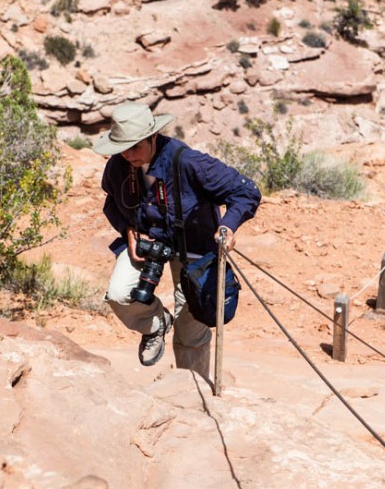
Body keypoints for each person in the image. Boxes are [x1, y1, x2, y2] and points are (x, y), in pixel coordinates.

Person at [94, 102, 261, 378]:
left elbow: (246, 192)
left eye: (135, 146)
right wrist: (128, 231)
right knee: (120, 295)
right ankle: (156, 324)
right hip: (149, 246)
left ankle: (193, 395)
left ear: (153, 137)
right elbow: (111, 203)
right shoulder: (118, 165)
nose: (128, 155)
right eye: (122, 147)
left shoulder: (189, 163)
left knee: (190, 331)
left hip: (194, 250)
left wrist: (228, 227)